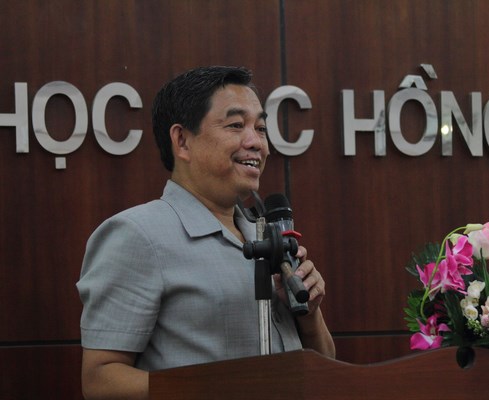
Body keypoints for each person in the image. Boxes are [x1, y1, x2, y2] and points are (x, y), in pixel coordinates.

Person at [76, 66, 335, 400]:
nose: (256, 142)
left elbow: (325, 369)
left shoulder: (266, 235)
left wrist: (310, 315)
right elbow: (100, 380)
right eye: (236, 125)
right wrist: (221, 388)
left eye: (260, 128)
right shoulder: (137, 235)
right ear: (182, 141)